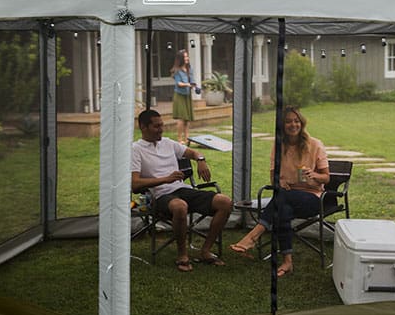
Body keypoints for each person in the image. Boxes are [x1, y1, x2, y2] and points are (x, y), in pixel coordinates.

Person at [230, 106, 330, 277]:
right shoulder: (279, 146)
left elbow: (326, 178)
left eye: (296, 121)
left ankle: (254, 236)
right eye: (288, 121)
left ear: (302, 123)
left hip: (313, 198)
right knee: (282, 209)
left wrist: (313, 174)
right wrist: (279, 182)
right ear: (282, 126)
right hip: (286, 197)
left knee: (282, 199)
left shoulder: (315, 144)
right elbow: (273, 178)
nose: (293, 124)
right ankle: (287, 262)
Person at [131, 109, 231, 272]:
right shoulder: (136, 149)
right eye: (156, 127)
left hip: (182, 189)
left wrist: (200, 159)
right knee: (180, 206)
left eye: (162, 125)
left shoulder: (168, 143)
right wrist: (165, 179)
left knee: (225, 202)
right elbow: (134, 184)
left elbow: (192, 152)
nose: (161, 129)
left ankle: (205, 250)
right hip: (159, 195)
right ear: (143, 127)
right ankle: (182, 254)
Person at [170, 49, 197, 145]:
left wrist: (195, 86)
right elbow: (179, 83)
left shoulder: (189, 69)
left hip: (187, 95)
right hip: (180, 95)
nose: (187, 58)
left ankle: (187, 138)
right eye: (185, 57)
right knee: (181, 118)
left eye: (187, 56)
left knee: (187, 119)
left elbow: (192, 80)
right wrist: (188, 85)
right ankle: (179, 139)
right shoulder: (177, 71)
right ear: (181, 59)